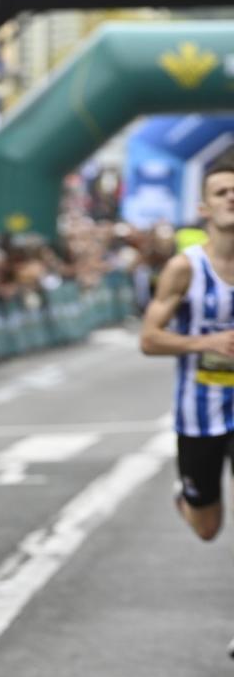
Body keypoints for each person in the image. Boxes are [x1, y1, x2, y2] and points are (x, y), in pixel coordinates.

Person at [139, 151, 234, 649]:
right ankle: (188, 498)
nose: (231, 198)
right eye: (221, 192)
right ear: (204, 208)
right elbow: (150, 339)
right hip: (198, 413)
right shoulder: (184, 269)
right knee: (207, 527)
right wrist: (205, 343)